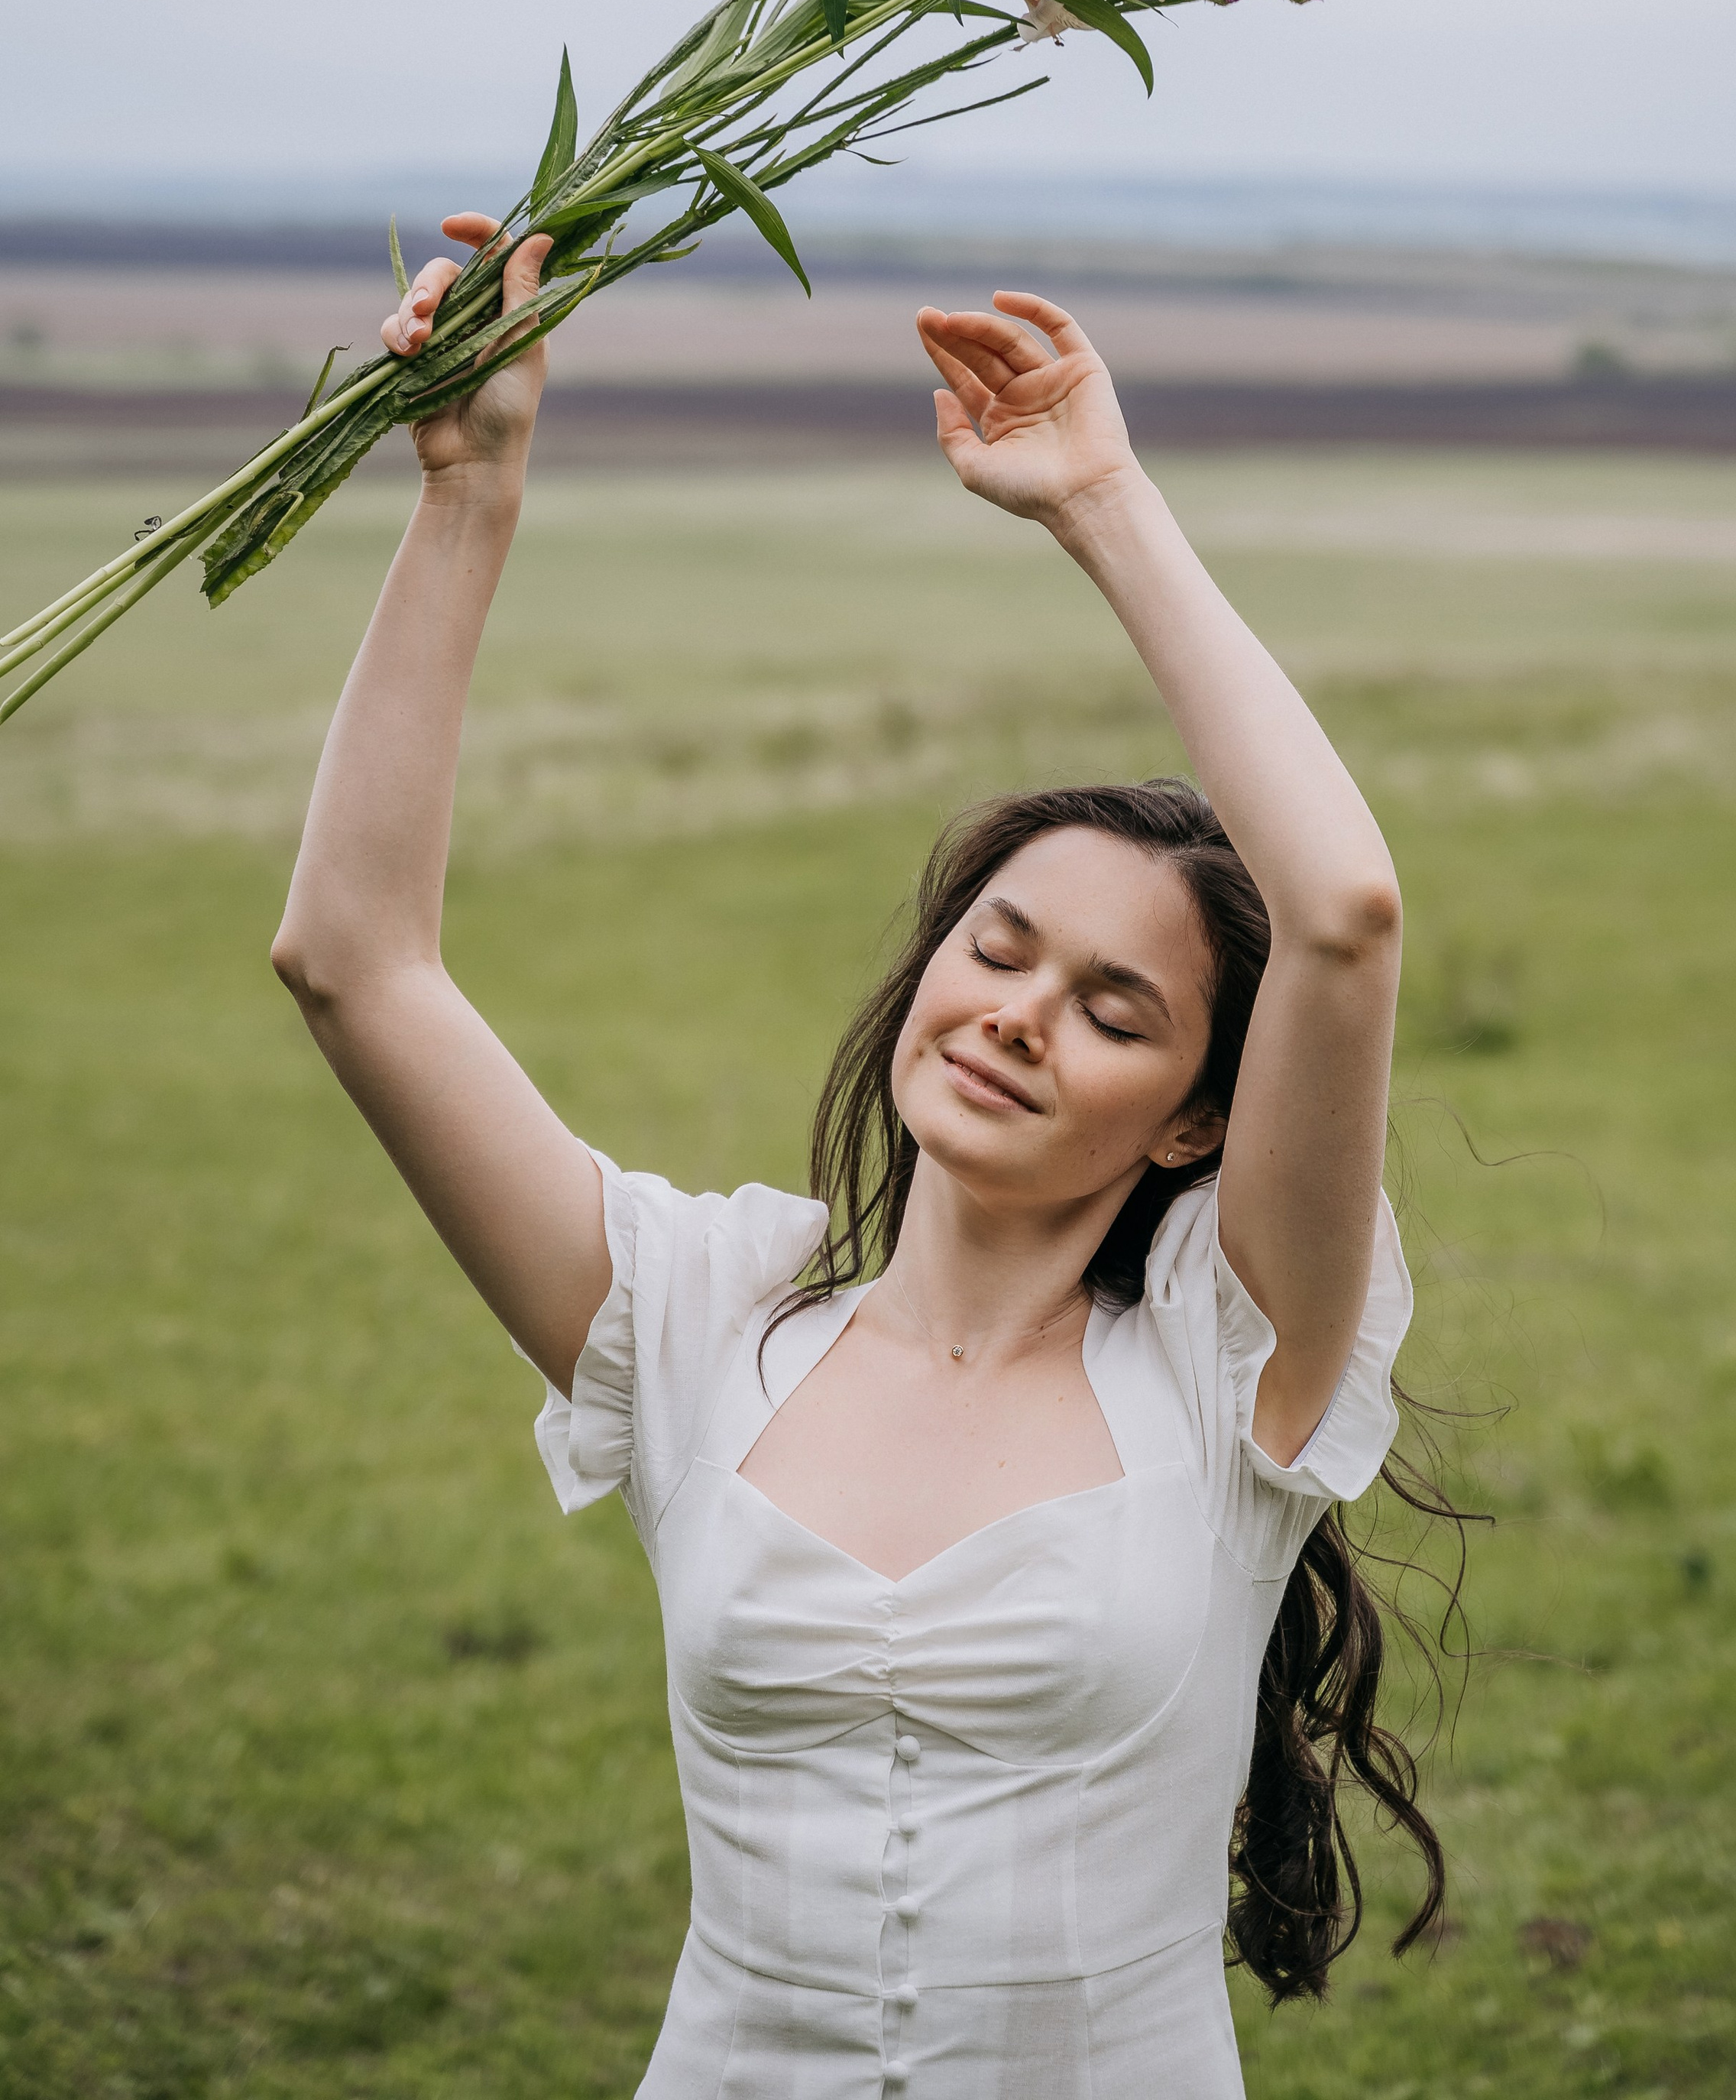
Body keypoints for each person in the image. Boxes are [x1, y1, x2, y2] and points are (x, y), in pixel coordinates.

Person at [273, 212, 1445, 2098]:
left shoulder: (1235, 1366)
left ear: (1201, 1117)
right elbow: (355, 963)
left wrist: (1102, 502)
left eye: (1112, 1011)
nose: (1014, 1013)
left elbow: (1343, 910)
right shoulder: (690, 1315)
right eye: (994, 948)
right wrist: (468, 493)